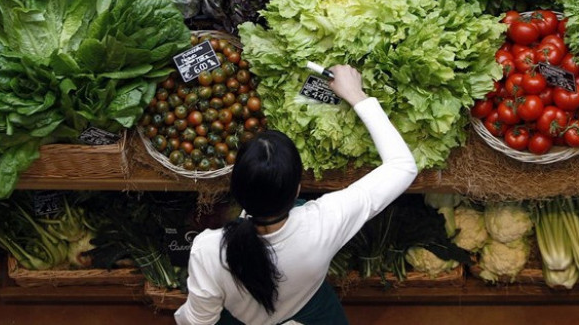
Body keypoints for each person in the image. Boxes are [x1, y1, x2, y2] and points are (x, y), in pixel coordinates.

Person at [174, 65, 418, 325]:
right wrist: (357, 95)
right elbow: (403, 166)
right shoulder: (324, 222)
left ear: (236, 191)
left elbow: (198, 321)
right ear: (298, 190)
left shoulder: (209, 250)